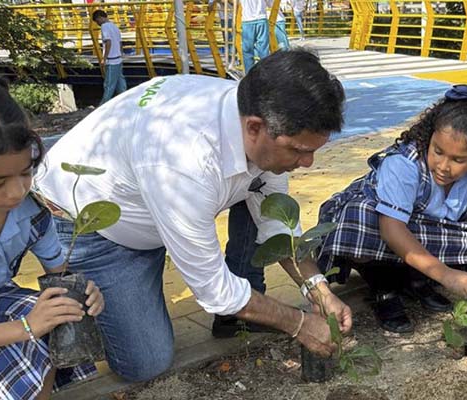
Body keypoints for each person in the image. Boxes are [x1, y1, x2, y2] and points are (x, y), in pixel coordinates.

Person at [35, 49, 351, 383]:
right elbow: (215, 290)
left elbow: (276, 222)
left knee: (260, 189)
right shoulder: (184, 160)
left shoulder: (258, 114)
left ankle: (239, 314)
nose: (308, 164)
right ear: (254, 127)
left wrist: (319, 291)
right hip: (92, 228)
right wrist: (299, 324)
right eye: (299, 151)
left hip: (151, 205)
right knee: (146, 363)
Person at [317, 85, 467, 349]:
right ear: (429, 137)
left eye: (458, 160)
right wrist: (445, 275)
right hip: (381, 226)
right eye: (438, 151)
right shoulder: (404, 164)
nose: (443, 166)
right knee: (363, 218)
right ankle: (382, 284)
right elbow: (392, 230)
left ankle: (414, 277)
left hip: (422, 231)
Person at [0, 79, 104, 399]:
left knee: (56, 312)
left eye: (26, 173)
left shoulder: (33, 211)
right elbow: (28, 327)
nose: (16, 192)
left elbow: (59, 276)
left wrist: (82, 293)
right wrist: (26, 327)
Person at [92, 10, 127, 106]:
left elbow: (108, 42)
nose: (98, 24)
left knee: (109, 85)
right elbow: (120, 42)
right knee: (121, 84)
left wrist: (104, 58)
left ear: (100, 18)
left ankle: (103, 105)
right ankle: (125, 102)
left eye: (97, 21)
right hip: (118, 58)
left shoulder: (104, 27)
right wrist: (121, 53)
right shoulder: (114, 26)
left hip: (111, 60)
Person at [240, 0, 270, 71]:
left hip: (247, 20)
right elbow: (269, 3)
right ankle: (265, 72)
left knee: (248, 51)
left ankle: (249, 73)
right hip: (261, 18)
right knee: (263, 49)